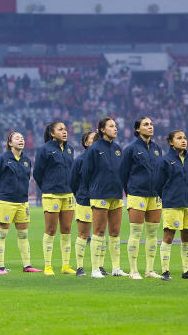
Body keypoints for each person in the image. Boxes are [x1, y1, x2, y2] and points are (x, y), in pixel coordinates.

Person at [119, 116, 165, 279]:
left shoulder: (157, 148)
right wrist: (129, 190)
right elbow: (122, 173)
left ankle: (150, 270)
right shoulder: (131, 149)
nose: (150, 127)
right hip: (137, 194)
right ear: (138, 129)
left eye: (151, 124)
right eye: (146, 124)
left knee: (153, 234)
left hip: (154, 195)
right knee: (136, 233)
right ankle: (133, 270)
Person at [82, 117, 127, 278]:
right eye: (111, 126)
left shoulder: (117, 148)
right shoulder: (94, 149)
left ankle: (116, 268)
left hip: (116, 194)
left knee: (115, 232)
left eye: (115, 126)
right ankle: (95, 269)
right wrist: (93, 189)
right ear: (102, 130)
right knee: (99, 231)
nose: (115, 128)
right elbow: (86, 173)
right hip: (99, 194)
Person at [0, 131, 41, 275]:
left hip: (22, 202)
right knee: (1, 234)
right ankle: (0, 266)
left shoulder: (27, 160)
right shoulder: (2, 158)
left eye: (22, 138)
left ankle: (27, 265)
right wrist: (0, 196)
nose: (21, 140)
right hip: (5, 201)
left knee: (24, 235)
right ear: (10, 143)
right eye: (17, 138)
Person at [157, 130, 188, 281]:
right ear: (171, 142)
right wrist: (168, 197)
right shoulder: (165, 160)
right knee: (169, 235)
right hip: (172, 203)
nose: (183, 140)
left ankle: (187, 270)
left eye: (184, 138)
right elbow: (159, 184)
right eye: (179, 138)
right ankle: (165, 271)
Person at [33, 121, 76, 276]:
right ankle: (48, 266)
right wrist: (47, 187)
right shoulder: (44, 150)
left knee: (66, 230)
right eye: (60, 129)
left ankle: (65, 265)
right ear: (52, 133)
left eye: (65, 129)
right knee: (51, 230)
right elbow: (37, 173)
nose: (64, 132)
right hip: (51, 194)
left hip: (68, 194)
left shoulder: (70, 149)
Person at [70, 131, 98, 276]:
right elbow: (72, 181)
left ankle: (98, 266)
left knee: (99, 234)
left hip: (101, 199)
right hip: (84, 200)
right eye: (93, 139)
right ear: (86, 143)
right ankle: (80, 267)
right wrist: (80, 195)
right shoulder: (80, 160)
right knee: (83, 234)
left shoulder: (102, 159)